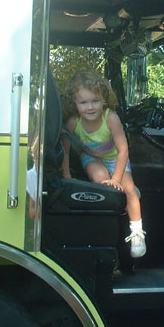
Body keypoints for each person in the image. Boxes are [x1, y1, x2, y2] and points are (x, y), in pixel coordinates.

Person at [61, 70, 146, 258]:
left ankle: (137, 232)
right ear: (74, 104)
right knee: (102, 182)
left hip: (115, 157)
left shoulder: (110, 118)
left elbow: (123, 150)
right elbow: (64, 151)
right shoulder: (73, 123)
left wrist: (117, 178)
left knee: (129, 189)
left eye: (95, 101)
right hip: (91, 157)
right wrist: (66, 176)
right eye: (83, 102)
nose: (90, 107)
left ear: (104, 100)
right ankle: (107, 225)